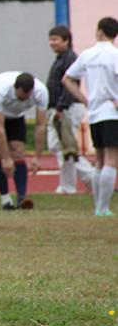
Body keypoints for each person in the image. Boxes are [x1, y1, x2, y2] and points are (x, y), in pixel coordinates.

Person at [63, 16, 118, 216]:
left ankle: (98, 206)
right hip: (112, 113)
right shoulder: (115, 55)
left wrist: (85, 100)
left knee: (100, 160)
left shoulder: (88, 54)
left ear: (100, 31)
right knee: (112, 160)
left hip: (94, 112)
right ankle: (103, 208)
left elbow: (67, 79)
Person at [0, 71, 48, 210]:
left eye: (28, 96)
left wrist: (37, 157)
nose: (24, 99)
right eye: (21, 96)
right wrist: (6, 158)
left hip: (17, 115)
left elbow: (40, 126)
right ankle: (5, 199)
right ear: (15, 89)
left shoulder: (41, 92)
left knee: (18, 150)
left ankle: (22, 198)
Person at [46, 25, 95, 194]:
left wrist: (61, 107)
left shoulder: (70, 58)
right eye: (50, 39)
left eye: (55, 39)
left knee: (64, 147)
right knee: (60, 147)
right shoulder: (60, 58)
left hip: (67, 108)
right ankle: (90, 178)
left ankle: (70, 185)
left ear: (66, 41)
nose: (51, 43)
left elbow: (71, 84)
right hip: (60, 108)